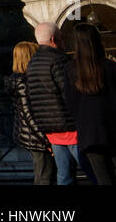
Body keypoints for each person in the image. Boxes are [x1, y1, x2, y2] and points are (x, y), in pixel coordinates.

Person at [27, 21, 90, 184]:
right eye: (62, 38)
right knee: (92, 171)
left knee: (64, 175)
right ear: (54, 39)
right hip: (70, 128)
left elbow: (31, 100)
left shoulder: (32, 64)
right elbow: (69, 94)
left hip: (51, 132)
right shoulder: (59, 60)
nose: (64, 41)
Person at [68, 23, 116, 184]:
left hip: (89, 135)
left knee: (104, 180)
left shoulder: (71, 71)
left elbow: (70, 103)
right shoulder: (112, 67)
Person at [9, 40, 55, 184]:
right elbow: (29, 114)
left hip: (30, 135)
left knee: (44, 172)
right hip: (35, 137)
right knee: (45, 174)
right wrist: (46, 140)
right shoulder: (24, 82)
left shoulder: (18, 80)